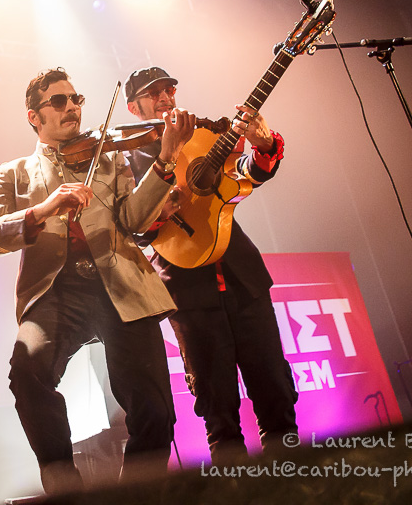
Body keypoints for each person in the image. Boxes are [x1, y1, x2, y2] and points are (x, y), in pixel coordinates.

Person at [0, 68, 196, 493]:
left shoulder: (110, 158)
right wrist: (43, 209)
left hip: (120, 283)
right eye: (58, 101)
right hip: (56, 291)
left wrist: (165, 160)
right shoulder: (15, 172)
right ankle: (66, 490)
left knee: (155, 412)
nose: (72, 107)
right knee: (27, 371)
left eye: (75, 99)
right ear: (34, 116)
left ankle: (135, 498)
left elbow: (135, 221)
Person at [121, 66, 298, 464]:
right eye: (152, 93)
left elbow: (246, 176)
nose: (164, 97)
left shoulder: (203, 134)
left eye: (169, 89)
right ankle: (232, 491)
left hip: (243, 279)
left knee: (277, 396)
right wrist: (161, 208)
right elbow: (136, 229)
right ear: (133, 107)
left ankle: (296, 482)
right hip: (187, 292)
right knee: (219, 415)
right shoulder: (127, 160)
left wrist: (264, 145)